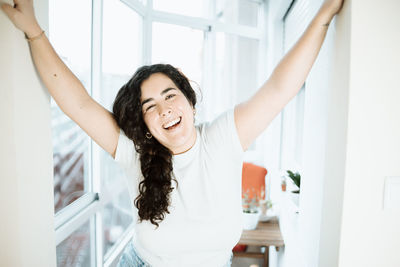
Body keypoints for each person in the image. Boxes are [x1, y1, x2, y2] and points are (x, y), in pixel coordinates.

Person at [1, 0, 344, 266]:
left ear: (190, 103)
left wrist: (323, 15)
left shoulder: (224, 137)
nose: (163, 109)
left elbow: (280, 88)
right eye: (149, 106)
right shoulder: (134, 151)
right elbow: (77, 104)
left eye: (169, 95)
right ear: (145, 125)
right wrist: (34, 31)